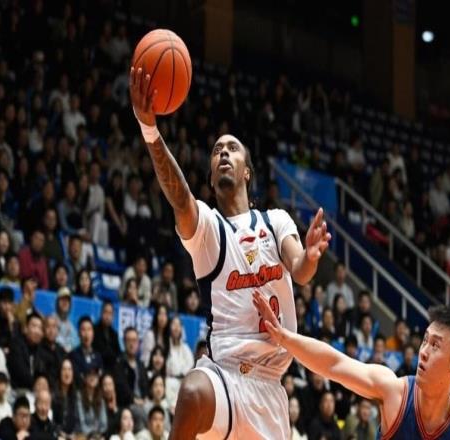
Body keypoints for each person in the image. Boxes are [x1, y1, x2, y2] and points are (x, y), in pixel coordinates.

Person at [130, 65, 330, 440]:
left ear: (247, 172)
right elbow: (180, 199)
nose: (223, 152)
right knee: (192, 391)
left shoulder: (276, 220)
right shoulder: (209, 229)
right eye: (216, 150)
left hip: (270, 386)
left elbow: (300, 271)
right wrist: (150, 130)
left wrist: (312, 256)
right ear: (210, 177)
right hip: (223, 376)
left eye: (232, 148)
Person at [253, 297, 450, 439]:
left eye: (435, 345)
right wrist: (283, 337)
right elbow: (334, 364)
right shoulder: (395, 392)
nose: (423, 351)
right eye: (425, 340)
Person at [93, 301, 120, 371]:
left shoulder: (114, 334)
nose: (107, 316)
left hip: (111, 368)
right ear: (101, 313)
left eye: (110, 313)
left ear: (113, 316)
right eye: (105, 312)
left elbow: (118, 353)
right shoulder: (94, 330)